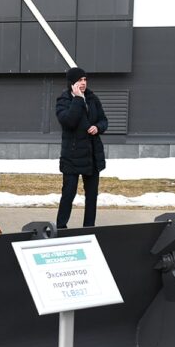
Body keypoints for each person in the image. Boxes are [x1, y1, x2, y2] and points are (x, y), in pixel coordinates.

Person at [55, 66, 108, 229]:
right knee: (68, 194)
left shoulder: (93, 99)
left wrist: (98, 127)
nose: (83, 83)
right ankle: (61, 227)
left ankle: (89, 228)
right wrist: (78, 99)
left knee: (92, 196)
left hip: (91, 156)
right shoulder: (63, 100)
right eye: (79, 80)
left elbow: (104, 120)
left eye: (85, 79)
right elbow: (69, 122)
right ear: (72, 83)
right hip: (72, 156)